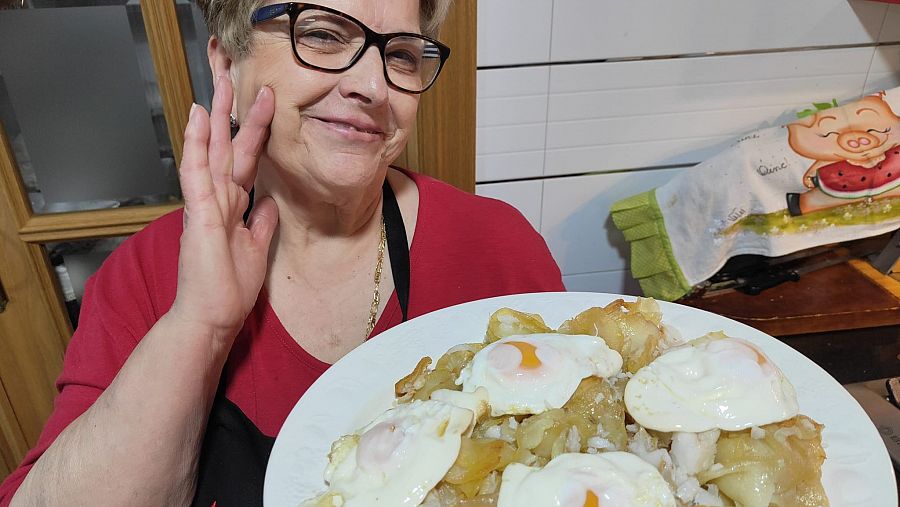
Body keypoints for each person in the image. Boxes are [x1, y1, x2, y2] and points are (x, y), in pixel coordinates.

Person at [0, 0, 564, 504]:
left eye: (401, 55)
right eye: (321, 34)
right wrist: (200, 325)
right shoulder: (142, 276)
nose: (374, 86)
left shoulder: (497, 246)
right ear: (226, 63)